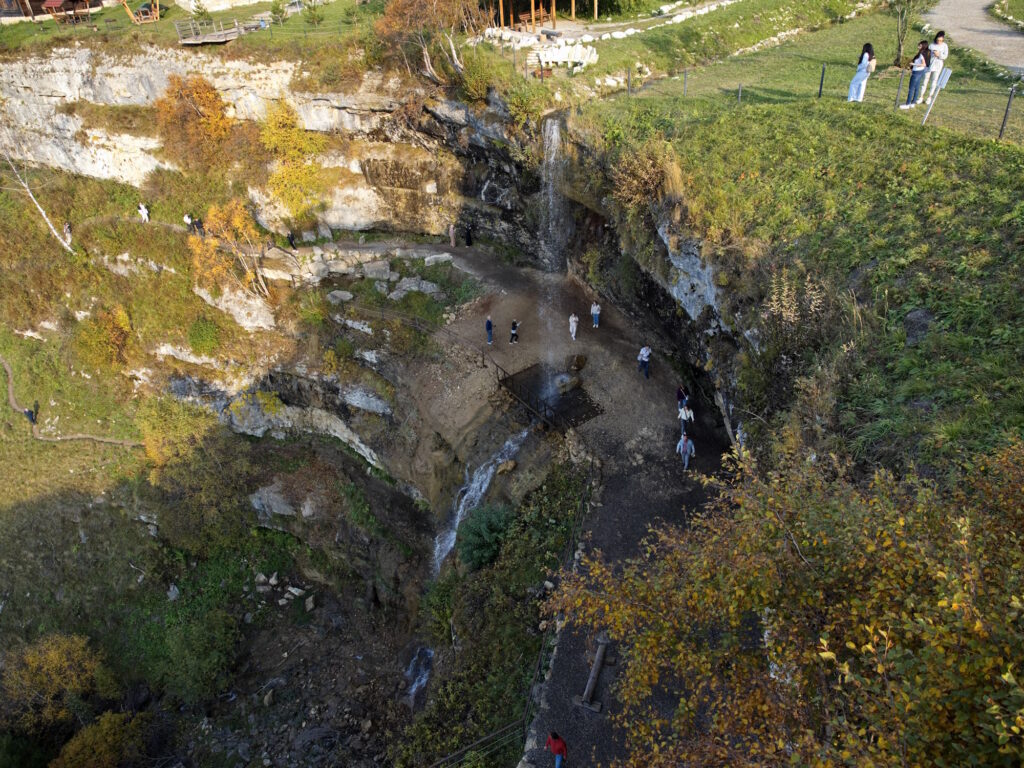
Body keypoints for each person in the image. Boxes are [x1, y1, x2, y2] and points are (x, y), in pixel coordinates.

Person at [900, 41, 930, 109]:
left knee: (911, 88)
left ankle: (907, 104)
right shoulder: (926, 53)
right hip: (920, 72)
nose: (918, 47)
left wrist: (914, 64)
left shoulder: (922, 54)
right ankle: (913, 103)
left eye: (919, 46)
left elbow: (924, 64)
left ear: (923, 46)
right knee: (916, 88)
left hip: (916, 72)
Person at [922, 31, 948, 105]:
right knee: (925, 80)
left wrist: (939, 55)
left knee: (934, 81)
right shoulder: (931, 45)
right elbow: (927, 54)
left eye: (941, 40)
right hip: (930, 64)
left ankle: (929, 97)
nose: (939, 42)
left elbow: (945, 56)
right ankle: (921, 96)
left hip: (938, 65)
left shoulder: (944, 46)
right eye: (938, 40)